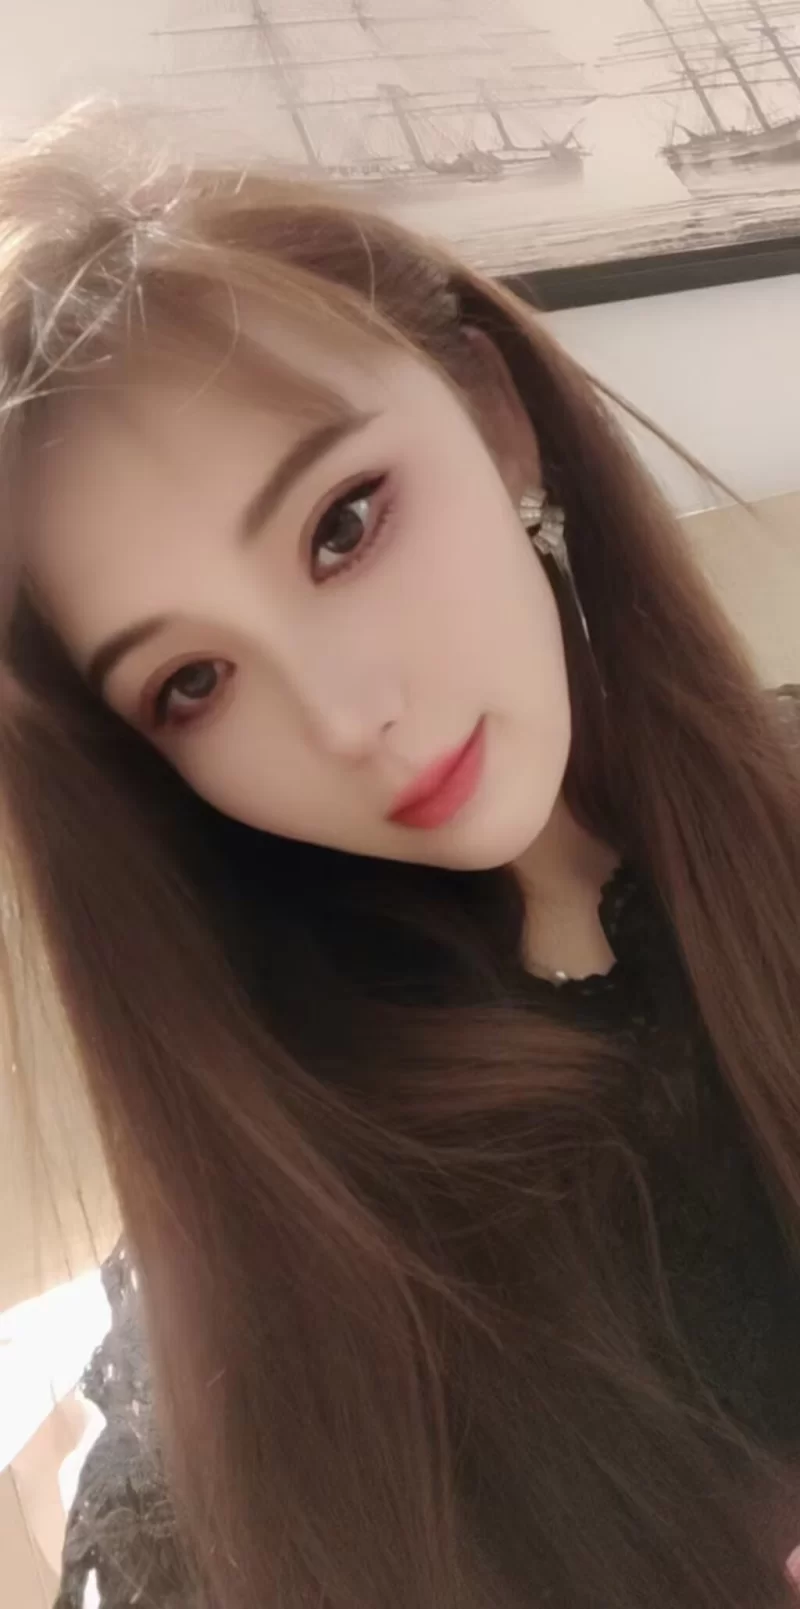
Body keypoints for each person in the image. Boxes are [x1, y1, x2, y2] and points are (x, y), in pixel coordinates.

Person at [0, 114, 798, 1609]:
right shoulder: (275, 1201)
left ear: (496, 422)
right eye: (192, 683)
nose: (345, 719)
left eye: (343, 525)